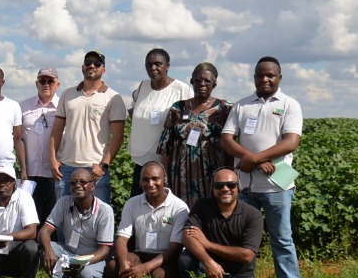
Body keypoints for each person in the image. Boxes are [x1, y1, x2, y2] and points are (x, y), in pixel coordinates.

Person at [221, 56, 305, 278]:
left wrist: (255, 158)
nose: (265, 79)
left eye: (270, 75)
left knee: (282, 238)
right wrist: (255, 162)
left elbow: (291, 142)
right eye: (260, 75)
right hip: (245, 185)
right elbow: (226, 139)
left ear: (280, 78)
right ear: (254, 77)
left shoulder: (289, 105)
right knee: (242, 240)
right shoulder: (242, 105)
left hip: (279, 184)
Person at [179, 168, 265, 278]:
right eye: (219, 186)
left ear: (238, 187)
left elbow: (247, 255)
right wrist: (208, 262)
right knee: (186, 259)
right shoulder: (202, 206)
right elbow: (187, 236)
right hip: (207, 269)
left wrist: (208, 244)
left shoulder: (252, 215)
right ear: (212, 188)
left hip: (238, 273)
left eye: (231, 185)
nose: (225, 189)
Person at [49, 50, 126, 205]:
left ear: (103, 70)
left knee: (98, 214)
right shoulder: (68, 94)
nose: (92, 66)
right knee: (64, 215)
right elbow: (56, 130)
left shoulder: (113, 97)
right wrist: (53, 159)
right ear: (82, 67)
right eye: (88, 62)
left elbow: (118, 136)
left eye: (97, 63)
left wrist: (103, 166)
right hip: (66, 168)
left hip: (95, 169)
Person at [158, 62, 233, 205]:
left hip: (212, 174)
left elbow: (232, 143)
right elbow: (165, 146)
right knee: (182, 212)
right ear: (192, 82)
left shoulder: (225, 109)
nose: (202, 84)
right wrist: (165, 177)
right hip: (180, 177)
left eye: (207, 81)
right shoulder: (178, 108)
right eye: (198, 80)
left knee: (211, 211)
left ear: (215, 84)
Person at [113, 162, 189, 278]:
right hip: (141, 254)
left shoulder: (179, 207)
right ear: (140, 182)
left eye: (155, 179)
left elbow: (175, 248)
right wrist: (123, 262)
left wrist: (145, 268)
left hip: (167, 258)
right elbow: (122, 238)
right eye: (145, 179)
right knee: (113, 267)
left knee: (157, 277)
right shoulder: (132, 203)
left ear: (164, 180)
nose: (150, 184)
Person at [127, 49, 194, 198]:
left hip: (165, 162)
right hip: (141, 159)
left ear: (167, 65)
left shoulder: (182, 90)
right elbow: (134, 111)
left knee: (162, 203)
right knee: (139, 203)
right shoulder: (143, 86)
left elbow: (189, 123)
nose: (153, 68)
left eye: (158, 64)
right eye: (149, 64)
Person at [40, 169, 114, 278]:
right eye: (73, 183)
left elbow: (104, 251)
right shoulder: (64, 202)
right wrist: (49, 251)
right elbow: (44, 231)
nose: (77, 186)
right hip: (70, 253)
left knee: (87, 275)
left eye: (83, 182)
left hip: (94, 258)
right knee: (45, 249)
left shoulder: (104, 210)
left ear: (92, 186)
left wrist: (80, 261)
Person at [20, 67, 60, 226]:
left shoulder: (63, 106)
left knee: (53, 219)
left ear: (57, 84)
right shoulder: (24, 106)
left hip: (55, 173)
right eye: (42, 81)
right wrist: (22, 168)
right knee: (31, 218)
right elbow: (18, 138)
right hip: (30, 173)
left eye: (50, 81)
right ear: (37, 84)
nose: (46, 84)